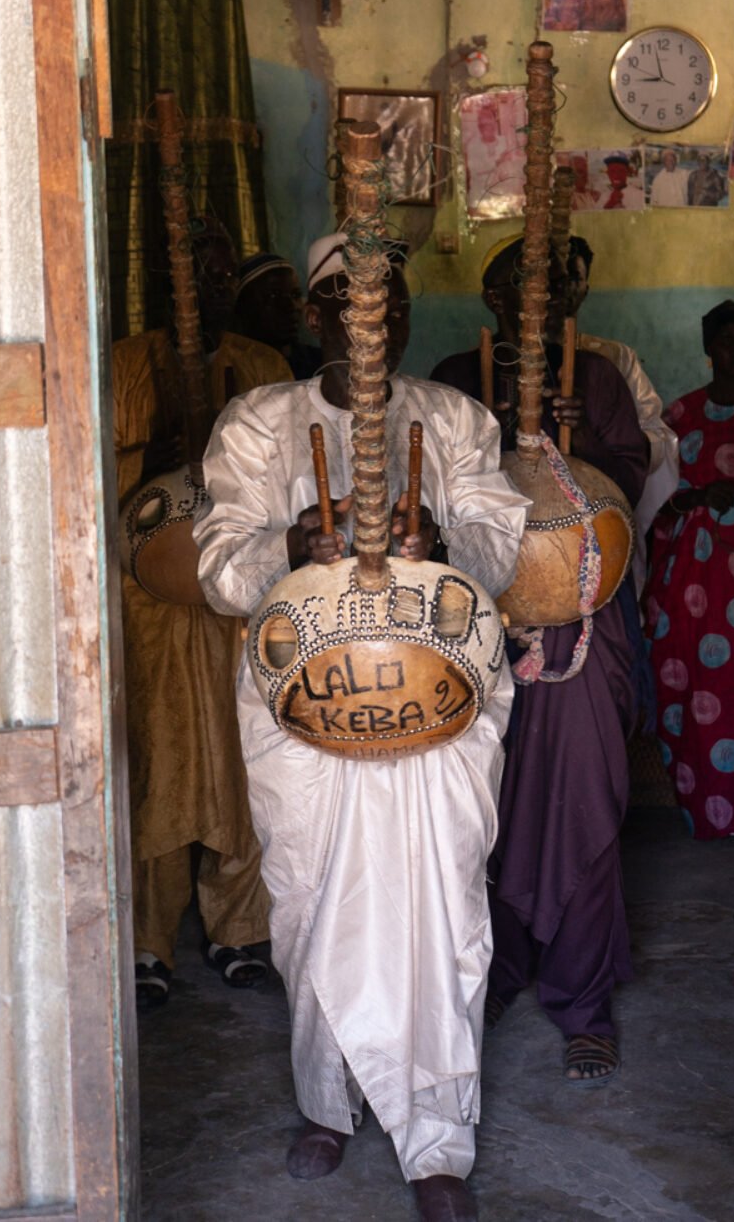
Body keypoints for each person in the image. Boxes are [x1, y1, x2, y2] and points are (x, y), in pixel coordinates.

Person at [193, 233, 528, 1222]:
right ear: (314, 313)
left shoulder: (456, 419)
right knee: (315, 898)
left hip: (435, 709)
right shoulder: (259, 424)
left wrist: (448, 544)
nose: (366, 317)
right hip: (310, 717)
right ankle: (328, 1103)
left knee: (440, 905)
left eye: (386, 299)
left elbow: (500, 546)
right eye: (344, 297)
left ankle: (436, 1141)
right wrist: (290, 546)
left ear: (408, 315)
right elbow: (217, 567)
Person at [432, 236, 650, 1087]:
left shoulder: (594, 376)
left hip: (581, 629)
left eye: (550, 293)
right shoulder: (456, 376)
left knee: (582, 801)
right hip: (479, 622)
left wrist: (579, 442)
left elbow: (630, 489)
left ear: (571, 303)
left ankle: (583, 1000)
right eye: (512, 291)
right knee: (478, 805)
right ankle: (499, 968)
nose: (531, 308)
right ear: (489, 302)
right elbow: (435, 495)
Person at [113, 220, 293, 1008]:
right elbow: (76, 473)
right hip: (149, 603)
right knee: (155, 758)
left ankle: (240, 928)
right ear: (158, 279)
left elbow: (295, 478)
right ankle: (148, 940)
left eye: (219, 275)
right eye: (190, 273)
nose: (206, 288)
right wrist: (144, 459)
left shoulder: (263, 370)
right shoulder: (118, 367)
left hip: (238, 599)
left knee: (245, 750)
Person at [643, 300, 734, 840]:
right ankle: (713, 813)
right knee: (703, 691)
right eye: (729, 341)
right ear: (709, 351)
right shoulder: (681, 418)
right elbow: (653, 503)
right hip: (696, 585)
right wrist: (695, 500)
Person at [567, 236, 679, 596]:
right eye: (549, 278)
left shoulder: (614, 358)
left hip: (602, 517)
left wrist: (609, 444)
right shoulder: (499, 359)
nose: (560, 288)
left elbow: (656, 439)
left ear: (585, 288)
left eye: (573, 277)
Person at [232, 251, 322, 380]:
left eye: (295, 295)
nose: (291, 306)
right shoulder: (235, 372)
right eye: (273, 296)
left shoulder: (321, 364)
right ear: (244, 307)